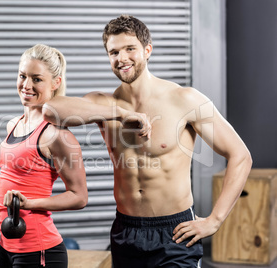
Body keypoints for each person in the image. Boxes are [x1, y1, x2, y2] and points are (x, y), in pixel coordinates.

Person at [42, 15, 252, 267]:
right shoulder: (103, 104)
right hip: (125, 230)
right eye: (114, 52)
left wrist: (215, 219)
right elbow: (51, 109)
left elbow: (240, 155)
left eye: (130, 48)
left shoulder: (185, 99)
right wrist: (121, 113)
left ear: (147, 50)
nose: (122, 58)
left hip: (175, 232)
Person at [0, 44, 88, 268]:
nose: (26, 85)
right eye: (23, 76)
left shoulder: (57, 135)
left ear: (55, 83)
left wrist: (29, 204)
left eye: (37, 79)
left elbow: (79, 196)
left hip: (39, 250)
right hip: (7, 246)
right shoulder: (14, 125)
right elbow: (21, 185)